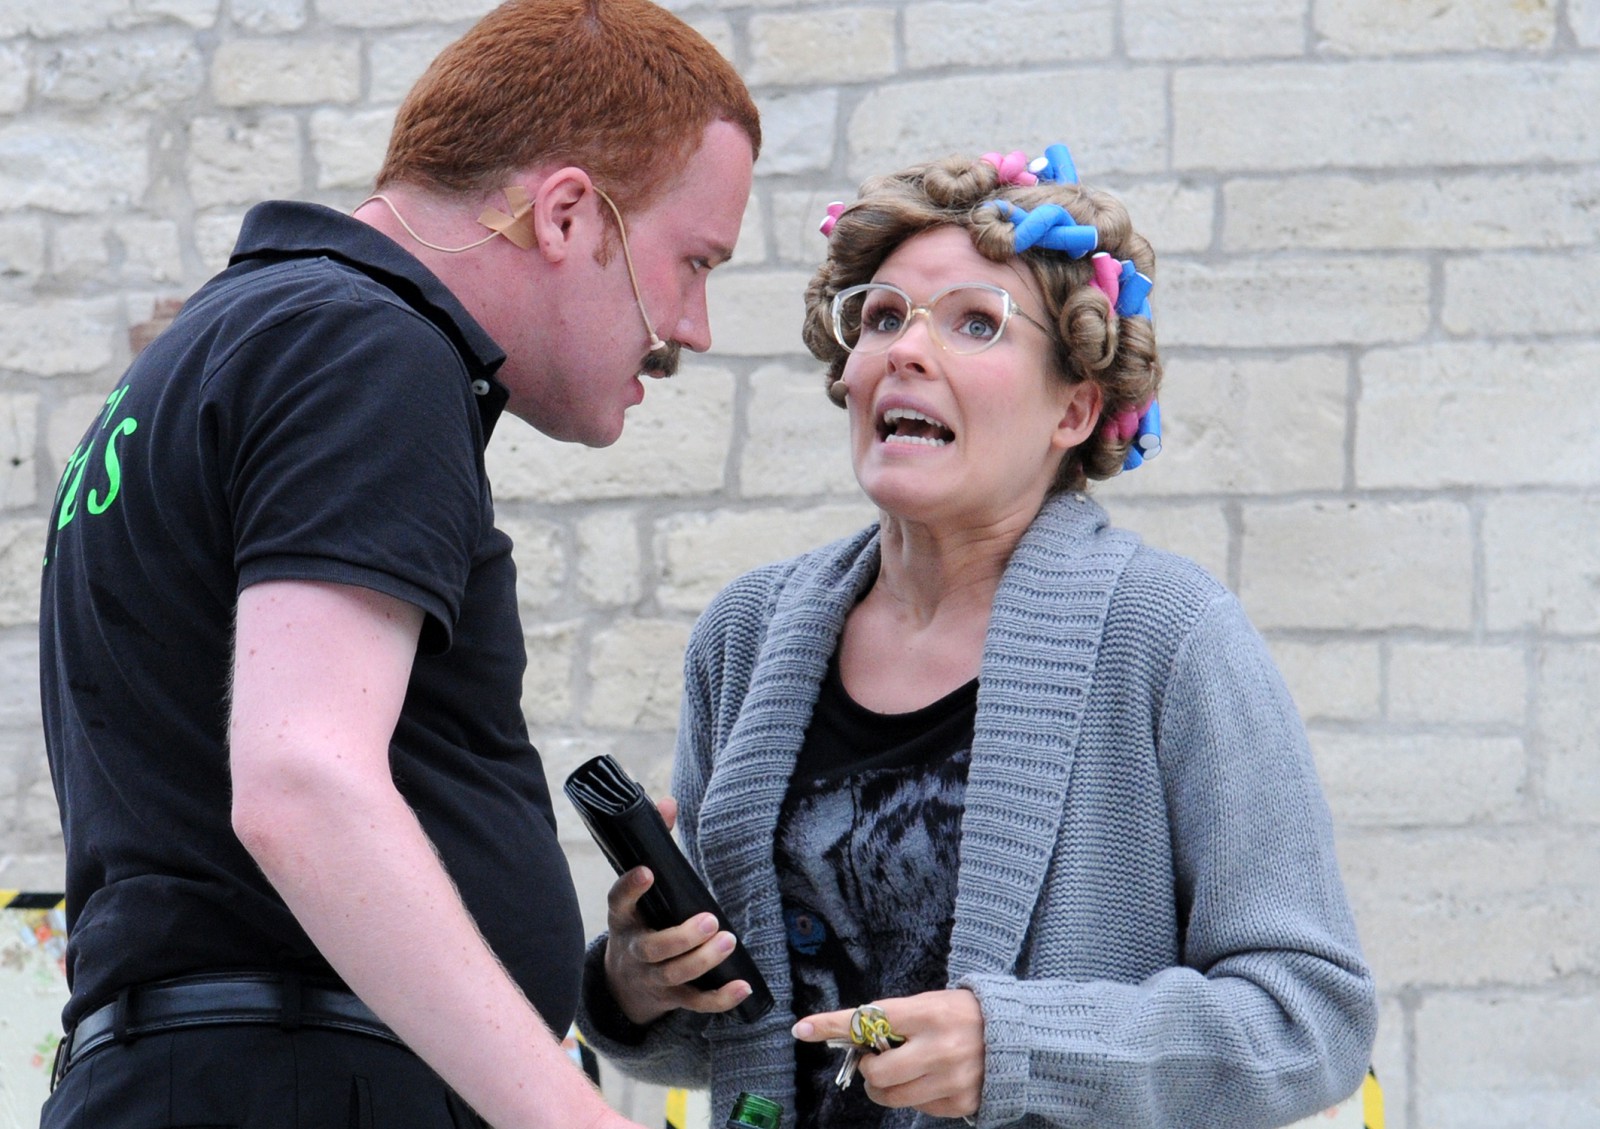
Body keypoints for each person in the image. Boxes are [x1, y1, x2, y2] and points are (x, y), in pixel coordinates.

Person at [37, 1, 758, 1126]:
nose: (694, 325)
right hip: (303, 1082)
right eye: (693, 261)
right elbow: (304, 782)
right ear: (569, 213)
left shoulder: (223, 344)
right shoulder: (367, 344)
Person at [575, 145, 1378, 1128]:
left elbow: (1311, 1017)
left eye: (974, 322)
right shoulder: (745, 635)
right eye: (881, 317)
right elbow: (760, 1029)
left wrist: (1022, 1048)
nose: (908, 350)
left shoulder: (1167, 636)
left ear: (1073, 409)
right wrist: (639, 981)